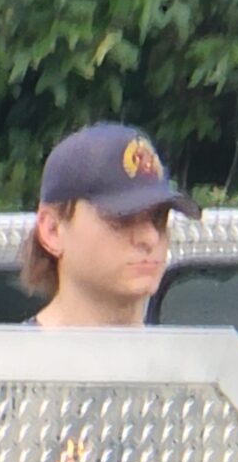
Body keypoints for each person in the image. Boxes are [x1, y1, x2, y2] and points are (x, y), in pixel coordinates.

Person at [20, 122, 200, 327]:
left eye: (159, 218)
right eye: (121, 218)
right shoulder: (9, 349)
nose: (150, 237)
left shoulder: (188, 348)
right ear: (52, 230)